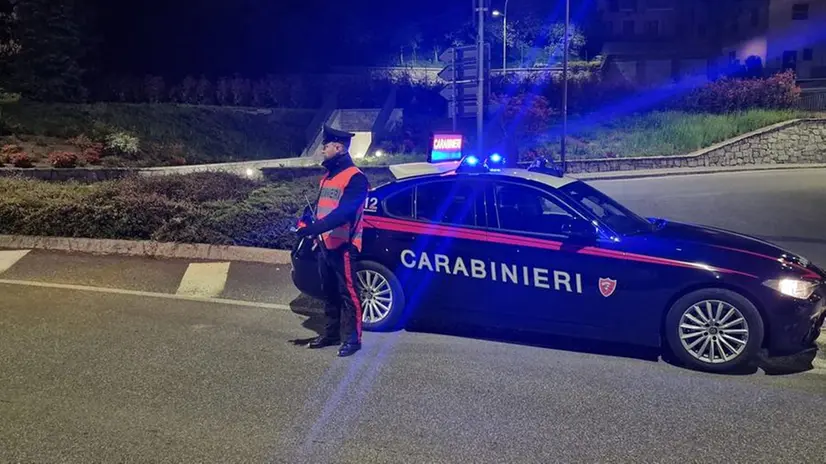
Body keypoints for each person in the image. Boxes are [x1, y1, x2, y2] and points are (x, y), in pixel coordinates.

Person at [295, 125, 370, 357]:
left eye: (325, 146)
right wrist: (305, 222)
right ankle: (331, 334)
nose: (322, 150)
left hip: (344, 246)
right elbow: (321, 209)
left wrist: (314, 228)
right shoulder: (328, 177)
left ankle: (353, 339)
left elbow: (344, 213)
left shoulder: (356, 178)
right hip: (325, 244)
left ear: (338, 147)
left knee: (349, 294)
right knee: (329, 292)